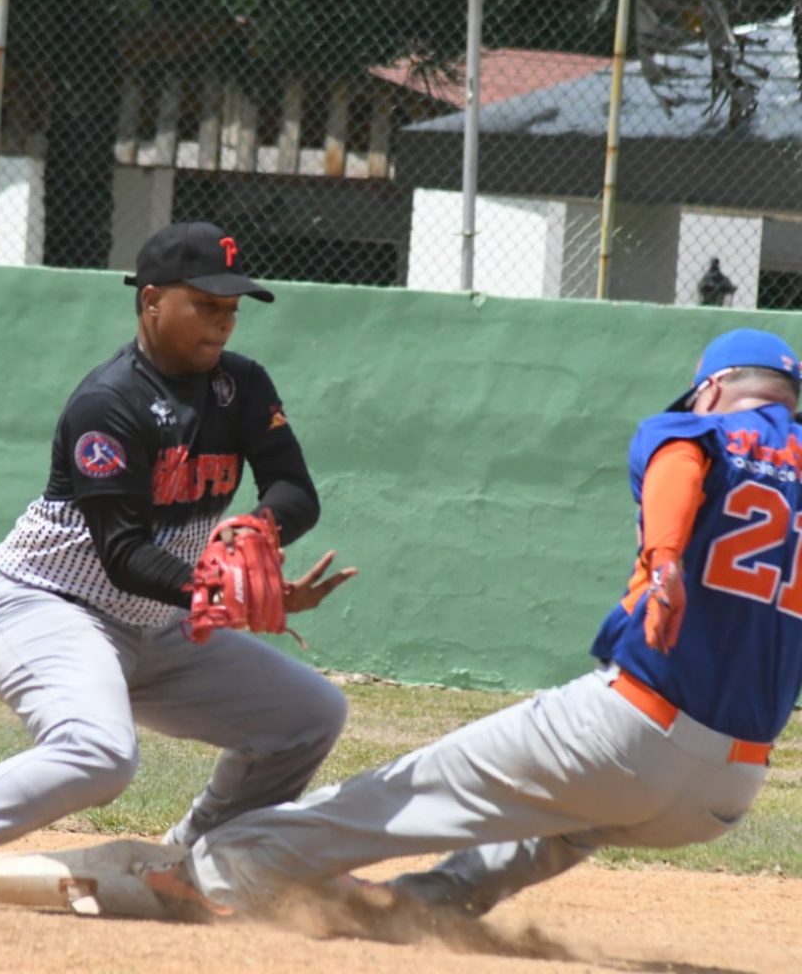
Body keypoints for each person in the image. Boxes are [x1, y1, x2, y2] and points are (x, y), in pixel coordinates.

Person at [139, 327, 802, 921]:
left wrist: (664, 559)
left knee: (415, 789)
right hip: (728, 792)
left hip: (632, 730)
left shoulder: (697, 429)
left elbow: (681, 465)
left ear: (712, 388)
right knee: (572, 820)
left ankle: (209, 869)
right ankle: (427, 907)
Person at [0, 220, 356, 907]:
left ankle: (193, 857)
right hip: (51, 608)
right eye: (206, 303)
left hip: (159, 623)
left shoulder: (243, 386)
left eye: (231, 307)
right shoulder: (111, 402)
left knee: (310, 713)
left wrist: (255, 531)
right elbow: (126, 553)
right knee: (101, 754)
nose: (224, 321)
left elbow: (294, 491)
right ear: (153, 300)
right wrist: (217, 583)